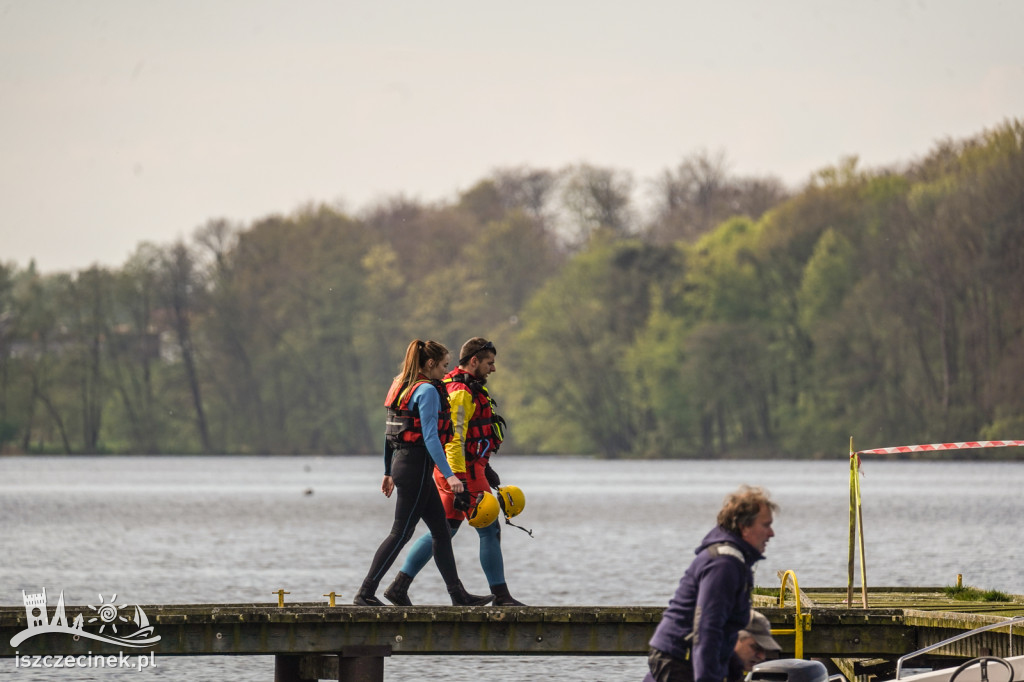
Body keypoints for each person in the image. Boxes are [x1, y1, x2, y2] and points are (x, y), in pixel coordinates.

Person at [383, 337, 524, 606]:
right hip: (461, 472)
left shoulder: (466, 387)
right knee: (487, 528)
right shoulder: (460, 391)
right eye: (489, 363)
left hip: (466, 469)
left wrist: (487, 467)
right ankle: (502, 596)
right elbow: (455, 439)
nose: (493, 369)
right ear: (474, 361)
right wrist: (456, 479)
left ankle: (400, 585)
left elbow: (470, 435)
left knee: (446, 529)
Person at [353, 339, 492, 607]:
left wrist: (387, 470)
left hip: (406, 465)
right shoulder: (426, 390)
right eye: (443, 366)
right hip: (415, 467)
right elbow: (430, 437)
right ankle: (365, 593)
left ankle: (458, 595)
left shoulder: (400, 385)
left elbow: (389, 434)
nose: (445, 372)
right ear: (429, 364)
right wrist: (451, 475)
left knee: (441, 532)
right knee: (401, 532)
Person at [645, 485, 779, 682]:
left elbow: (727, 631)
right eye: (766, 525)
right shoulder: (724, 565)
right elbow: (707, 629)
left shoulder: (736, 561)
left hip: (692, 658)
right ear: (744, 527)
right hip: (680, 658)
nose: (771, 533)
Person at [728, 610, 782, 681]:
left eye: (764, 650)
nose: (762, 657)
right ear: (734, 638)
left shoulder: (729, 672)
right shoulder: (711, 671)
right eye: (756, 647)